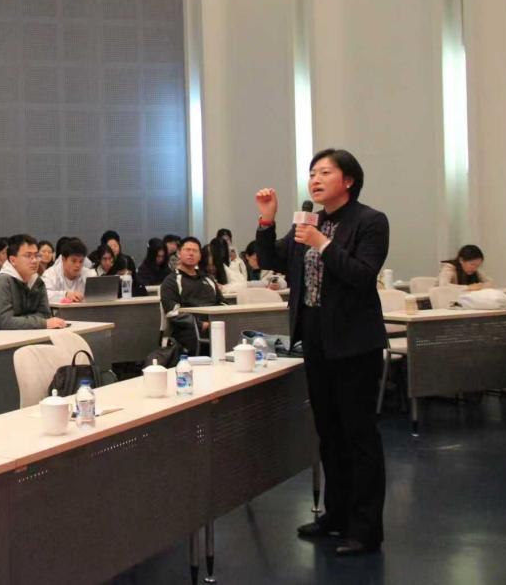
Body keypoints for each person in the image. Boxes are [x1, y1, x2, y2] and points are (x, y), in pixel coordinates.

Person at [255, 148, 388, 556]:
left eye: (325, 172)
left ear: (348, 180)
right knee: (329, 432)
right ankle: (336, 514)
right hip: (314, 338)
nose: (315, 179)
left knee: (358, 435)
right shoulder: (307, 221)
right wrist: (267, 220)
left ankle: (365, 529)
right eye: (313, 172)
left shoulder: (370, 221)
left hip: (354, 342)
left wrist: (323, 244)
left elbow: (362, 275)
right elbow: (270, 260)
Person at [0, 234, 67, 333]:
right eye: (28, 256)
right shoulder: (3, 281)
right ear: (13, 260)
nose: (34, 260)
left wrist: (21, 321)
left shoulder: (38, 282)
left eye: (36, 255)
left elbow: (45, 315)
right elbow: (4, 321)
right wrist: (41, 323)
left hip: (26, 335)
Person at [159, 237, 225, 355]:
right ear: (179, 253)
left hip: (215, 326)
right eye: (187, 250)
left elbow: (222, 303)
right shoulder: (171, 281)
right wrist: (201, 324)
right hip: (189, 331)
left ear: (200, 256)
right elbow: (172, 312)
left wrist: (219, 321)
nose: (191, 253)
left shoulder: (208, 279)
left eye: (195, 251)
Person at [42, 238, 92, 304]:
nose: (78, 265)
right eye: (74, 261)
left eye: (81, 261)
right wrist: (66, 294)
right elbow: (43, 295)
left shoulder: (88, 274)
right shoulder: (50, 274)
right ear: (63, 260)